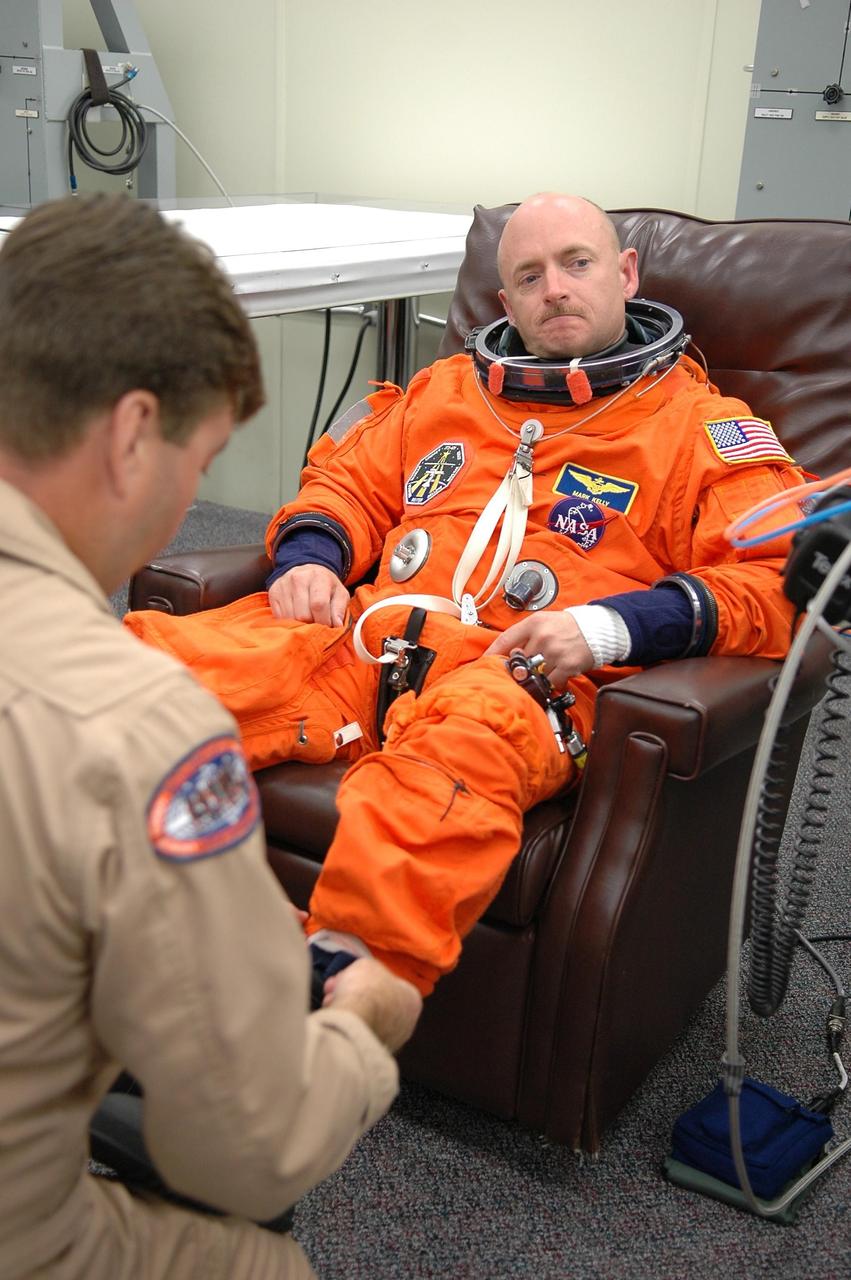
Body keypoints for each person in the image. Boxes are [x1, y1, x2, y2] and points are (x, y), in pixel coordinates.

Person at [125, 191, 806, 1003]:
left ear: (625, 274)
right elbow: (344, 484)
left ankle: (337, 996)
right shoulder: (443, 392)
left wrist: (606, 629)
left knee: (464, 748)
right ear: (504, 300)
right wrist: (308, 559)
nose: (553, 288)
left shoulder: (699, 429)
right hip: (364, 642)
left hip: (523, 675)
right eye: (528, 274)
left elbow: (776, 578)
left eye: (575, 263)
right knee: (144, 673)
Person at [0, 193, 421, 1280]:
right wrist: (370, 1017)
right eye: (203, 463)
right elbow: (249, 1150)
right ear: (135, 433)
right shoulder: (136, 722)